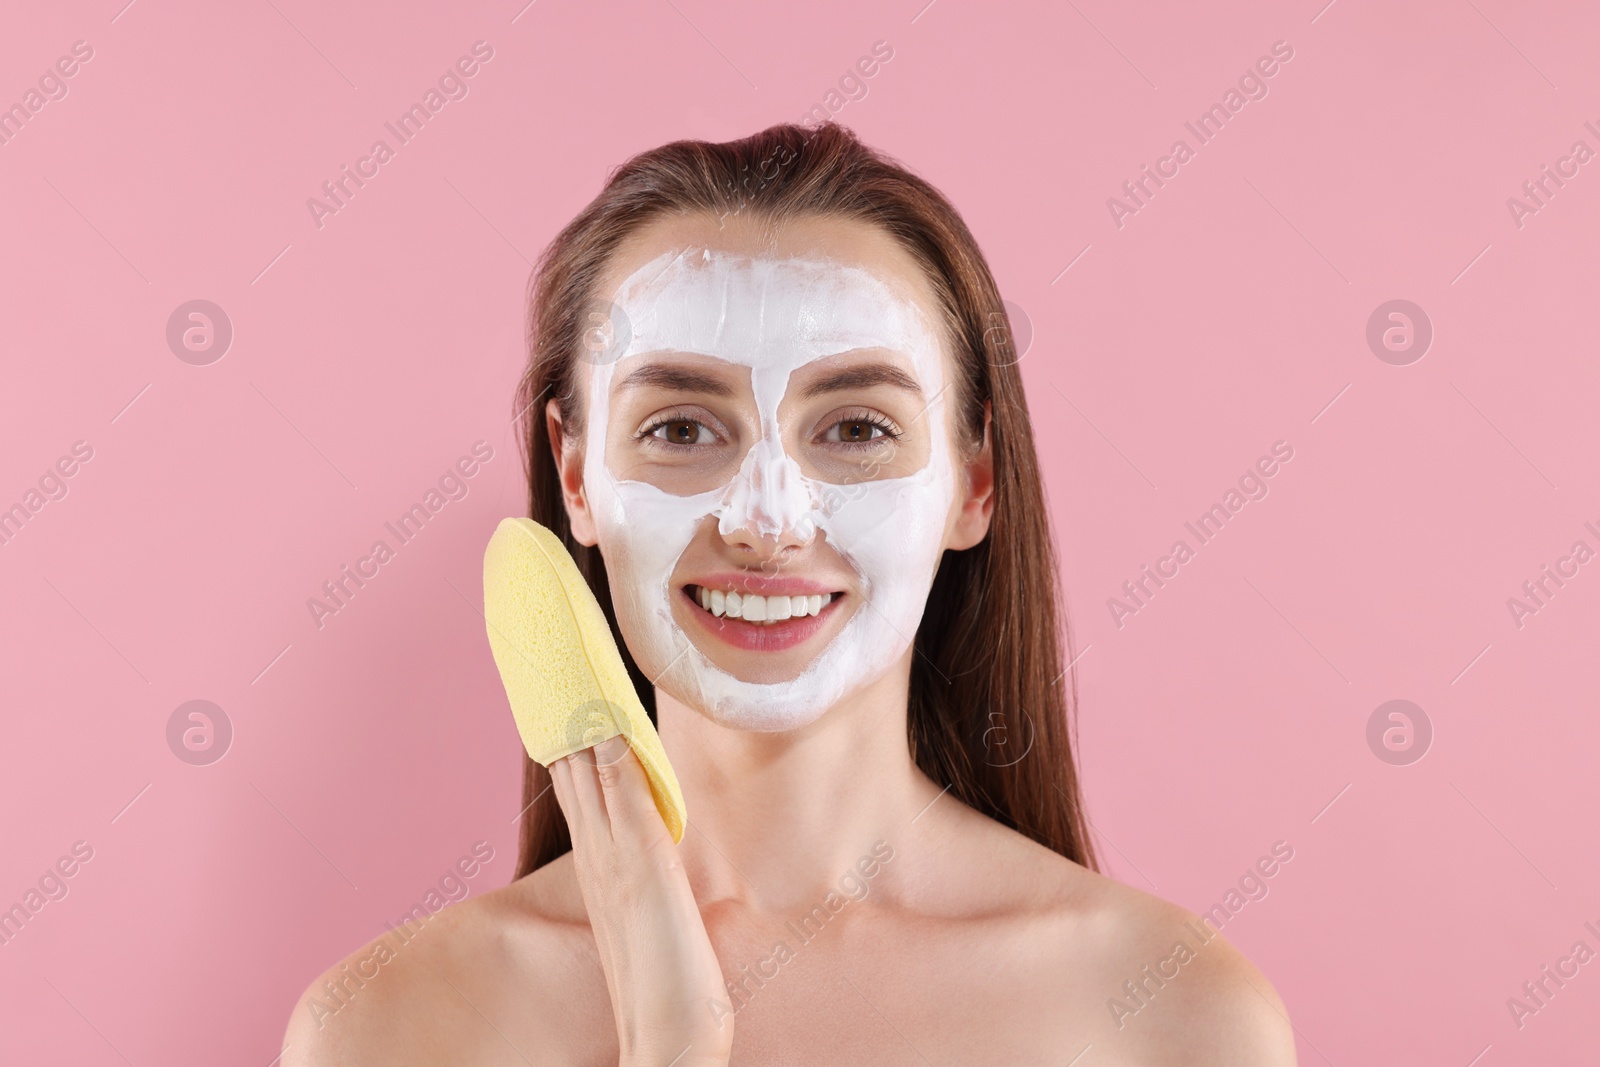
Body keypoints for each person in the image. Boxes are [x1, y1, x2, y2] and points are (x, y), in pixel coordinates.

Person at [283, 121, 1296, 1066]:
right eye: (680, 428)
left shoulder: (1169, 1012)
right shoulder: (388, 1025)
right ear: (577, 475)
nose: (766, 521)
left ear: (973, 480)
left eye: (855, 428)